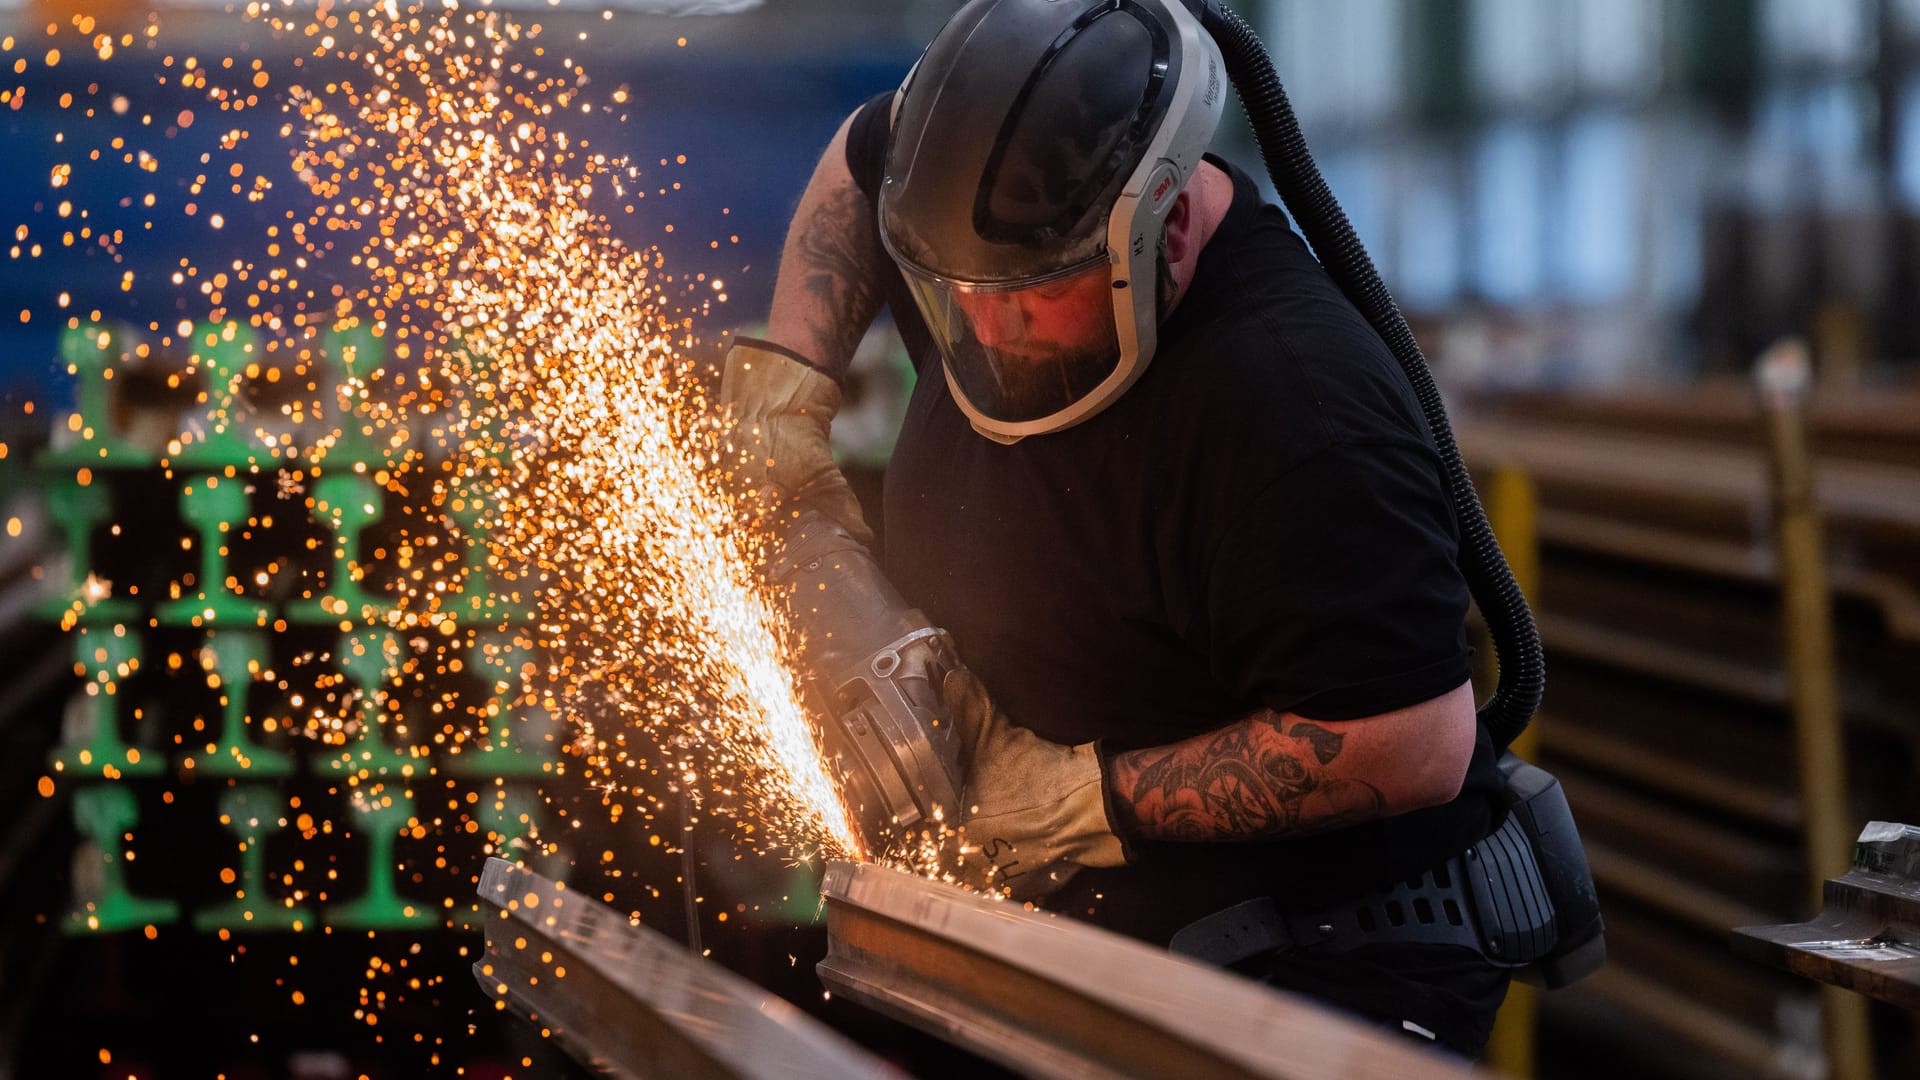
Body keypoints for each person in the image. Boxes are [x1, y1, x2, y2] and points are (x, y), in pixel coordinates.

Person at [721, 0, 1511, 1057]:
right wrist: (790, 392)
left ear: (1164, 224)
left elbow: (1417, 740)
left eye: (1034, 295)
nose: (988, 329)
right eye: (962, 291)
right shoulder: (989, 239)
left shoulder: (1298, 409)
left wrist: (1076, 800)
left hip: (1301, 967)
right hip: (1074, 933)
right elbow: (867, 159)